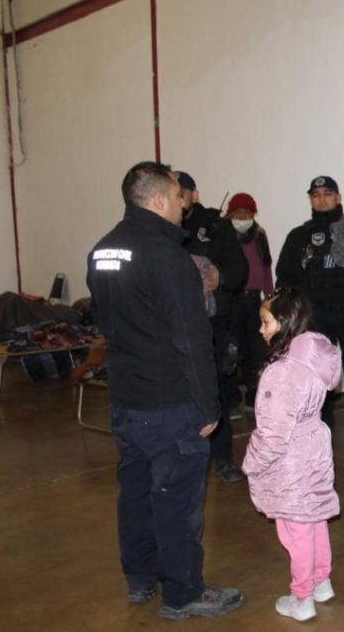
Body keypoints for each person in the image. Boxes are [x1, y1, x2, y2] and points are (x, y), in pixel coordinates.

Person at [87, 161, 244, 621]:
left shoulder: (102, 250)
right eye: (178, 196)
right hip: (170, 401)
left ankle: (141, 578)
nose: (184, 204)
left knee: (136, 492)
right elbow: (191, 337)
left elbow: (106, 320)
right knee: (176, 498)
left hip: (126, 398)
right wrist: (210, 404)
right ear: (158, 200)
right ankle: (183, 591)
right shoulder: (167, 255)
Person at [242, 288, 342, 622]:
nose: (261, 329)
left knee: (295, 530)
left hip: (290, 462)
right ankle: (321, 582)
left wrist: (252, 463)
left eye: (266, 322)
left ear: (285, 322)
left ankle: (302, 598)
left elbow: (273, 434)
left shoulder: (283, 371)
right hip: (313, 450)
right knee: (314, 519)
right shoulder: (312, 359)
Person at [276, 175, 344, 451]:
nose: (322, 199)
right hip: (316, 317)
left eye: (327, 194)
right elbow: (285, 276)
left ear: (338, 197)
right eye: (316, 195)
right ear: (310, 199)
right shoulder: (300, 236)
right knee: (318, 376)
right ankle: (321, 430)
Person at [176, 171, 249, 483]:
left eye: (182, 193)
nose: (178, 199)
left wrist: (221, 279)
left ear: (194, 194)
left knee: (214, 391)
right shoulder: (161, 228)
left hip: (211, 325)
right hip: (173, 325)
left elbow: (239, 269)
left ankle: (223, 459)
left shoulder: (217, 226)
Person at [225, 192, 273, 412]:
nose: (243, 217)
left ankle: (254, 396)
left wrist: (270, 297)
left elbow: (265, 267)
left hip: (254, 301)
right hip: (231, 301)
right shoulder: (223, 235)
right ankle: (232, 398)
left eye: (247, 212)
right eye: (238, 212)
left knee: (257, 350)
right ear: (230, 214)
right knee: (232, 349)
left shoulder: (259, 235)